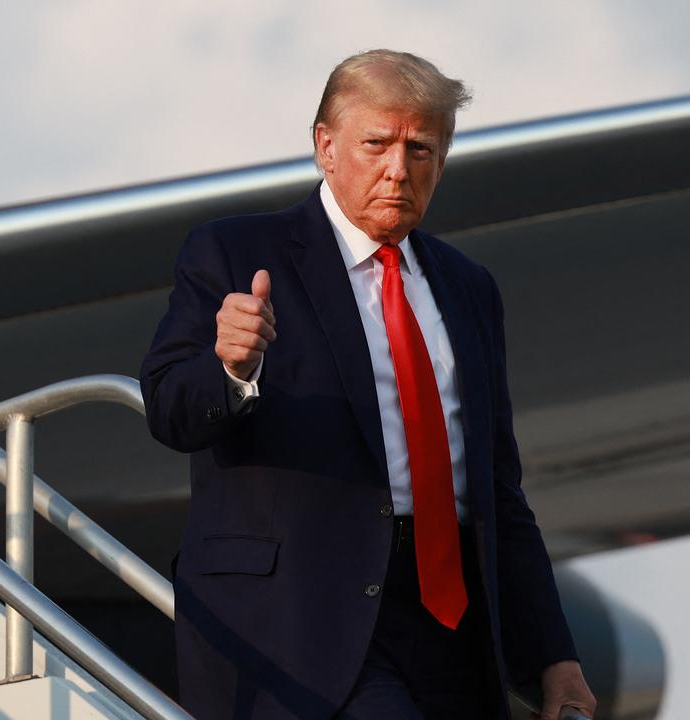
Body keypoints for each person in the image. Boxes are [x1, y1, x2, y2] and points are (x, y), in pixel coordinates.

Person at [140, 49, 596, 720]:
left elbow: (499, 488)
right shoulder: (237, 252)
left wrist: (555, 656)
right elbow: (169, 409)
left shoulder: (467, 287)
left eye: (422, 149)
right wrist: (231, 369)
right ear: (326, 146)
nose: (398, 169)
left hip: (451, 620)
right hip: (306, 618)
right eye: (377, 144)